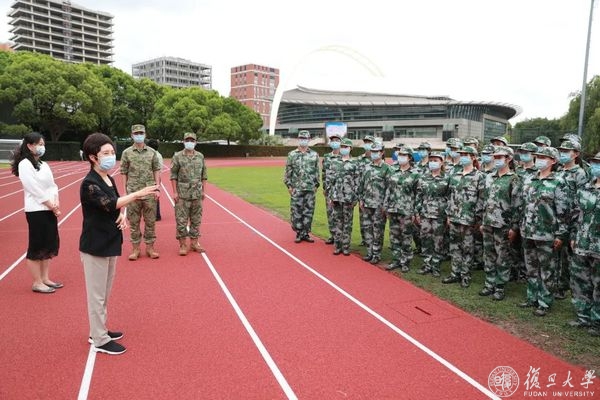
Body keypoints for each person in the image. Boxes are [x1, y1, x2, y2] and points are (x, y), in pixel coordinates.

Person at [79, 133, 158, 355]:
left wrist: (122, 215)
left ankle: (99, 330)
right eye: (105, 153)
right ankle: (99, 340)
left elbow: (115, 206)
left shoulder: (108, 178)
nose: (111, 156)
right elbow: (110, 203)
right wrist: (138, 194)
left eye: (112, 152)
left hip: (110, 241)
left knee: (104, 292)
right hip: (95, 245)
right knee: (96, 296)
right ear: (93, 157)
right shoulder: (89, 184)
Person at [519, 147, 569, 317]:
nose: (539, 159)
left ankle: (544, 302)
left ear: (553, 161)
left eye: (544, 157)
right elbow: (524, 206)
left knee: (547, 270)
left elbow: (563, 211)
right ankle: (532, 297)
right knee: (531, 268)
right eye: (538, 156)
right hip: (528, 231)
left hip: (547, 233)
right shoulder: (529, 179)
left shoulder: (558, 182)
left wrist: (561, 234)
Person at [10, 132, 62, 294]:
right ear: (29, 146)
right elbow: (33, 188)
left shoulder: (43, 164)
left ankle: (45, 278)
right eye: (39, 144)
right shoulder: (25, 164)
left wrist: (56, 201)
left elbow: (52, 185)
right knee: (37, 245)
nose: (42, 147)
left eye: (43, 144)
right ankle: (37, 282)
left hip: (49, 209)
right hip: (36, 210)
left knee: (48, 245)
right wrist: (51, 204)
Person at [480, 146, 522, 301]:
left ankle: (499, 286)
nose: (496, 159)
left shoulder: (514, 179)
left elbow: (517, 205)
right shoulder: (489, 177)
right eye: (495, 157)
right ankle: (489, 283)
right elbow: (485, 201)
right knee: (488, 254)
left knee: (502, 256)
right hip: (488, 222)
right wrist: (483, 220)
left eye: (499, 157)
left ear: (508, 159)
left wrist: (514, 227)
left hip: (503, 224)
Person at [442, 145, 485, 288]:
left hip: (469, 219)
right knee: (454, 247)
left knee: (467, 248)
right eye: (461, 155)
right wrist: (449, 214)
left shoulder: (479, 176)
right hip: (454, 217)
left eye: (466, 155)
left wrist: (476, 217)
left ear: (473, 157)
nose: (463, 157)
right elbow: (450, 196)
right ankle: (455, 273)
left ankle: (465, 275)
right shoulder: (455, 175)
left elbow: (481, 199)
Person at [120, 124, 162, 260]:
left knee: (150, 222)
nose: (139, 135)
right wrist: (125, 191)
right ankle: (135, 249)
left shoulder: (152, 152)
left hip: (149, 192)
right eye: (136, 133)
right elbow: (123, 172)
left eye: (141, 133)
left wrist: (157, 188)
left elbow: (156, 170)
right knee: (134, 222)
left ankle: (150, 248)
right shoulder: (126, 153)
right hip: (133, 192)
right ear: (132, 135)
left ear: (145, 135)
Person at [569, 152, 600, 336]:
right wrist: (573, 236)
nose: (596, 166)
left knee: (598, 284)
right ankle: (583, 316)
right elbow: (576, 214)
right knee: (580, 281)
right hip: (581, 243)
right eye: (595, 162)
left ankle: (597, 321)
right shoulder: (585, 188)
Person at [555, 140, 588, 300]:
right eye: (561, 151)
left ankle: (563, 286)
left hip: (571, 220)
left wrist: (575, 225)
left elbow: (581, 200)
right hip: (557, 218)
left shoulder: (580, 173)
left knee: (567, 256)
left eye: (566, 151)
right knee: (557, 255)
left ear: (576, 154)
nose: (563, 153)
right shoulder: (559, 170)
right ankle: (556, 284)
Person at [170, 132, 207, 255]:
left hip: (197, 194)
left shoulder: (200, 156)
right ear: (183, 141)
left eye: (192, 140)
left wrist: (204, 191)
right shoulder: (177, 156)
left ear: (196, 142)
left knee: (196, 219)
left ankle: (194, 243)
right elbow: (173, 175)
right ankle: (183, 244)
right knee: (181, 220)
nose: (189, 142)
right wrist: (175, 192)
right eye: (187, 140)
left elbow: (204, 175)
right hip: (182, 195)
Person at [384, 146, 419, 272]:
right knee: (394, 236)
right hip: (393, 209)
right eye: (400, 155)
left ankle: (405, 261)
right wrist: (386, 206)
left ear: (409, 158)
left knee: (406, 237)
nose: (401, 157)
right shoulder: (393, 171)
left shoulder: (415, 174)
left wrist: (415, 212)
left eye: (404, 155)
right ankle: (396, 260)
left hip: (406, 211)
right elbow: (389, 190)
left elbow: (418, 194)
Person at [415, 152, 449, 277]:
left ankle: (436, 266)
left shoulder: (447, 178)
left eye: (436, 160)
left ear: (441, 162)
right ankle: (426, 264)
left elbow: (450, 197)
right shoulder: (423, 178)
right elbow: (419, 196)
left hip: (439, 215)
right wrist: (417, 212)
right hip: (425, 214)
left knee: (438, 241)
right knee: (425, 240)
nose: (433, 162)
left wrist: (448, 214)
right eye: (431, 160)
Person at [284, 130, 320, 243]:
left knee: (308, 212)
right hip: (297, 188)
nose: (303, 140)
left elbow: (316, 171)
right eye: (301, 138)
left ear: (309, 139)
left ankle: (306, 233)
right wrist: (289, 186)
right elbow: (288, 171)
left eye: (305, 139)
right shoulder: (292, 154)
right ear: (298, 139)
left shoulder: (314, 155)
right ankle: (299, 233)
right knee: (296, 212)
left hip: (310, 188)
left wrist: (316, 185)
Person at [358, 142, 390, 264]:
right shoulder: (366, 167)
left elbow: (389, 188)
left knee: (378, 231)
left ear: (382, 153)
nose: (374, 154)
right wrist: (361, 199)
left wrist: (385, 205)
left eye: (377, 152)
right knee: (367, 228)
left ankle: (376, 254)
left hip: (379, 206)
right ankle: (369, 252)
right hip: (367, 204)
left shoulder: (387, 168)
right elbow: (362, 184)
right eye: (373, 151)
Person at [328, 138, 359, 255]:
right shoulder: (335, 162)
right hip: (336, 197)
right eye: (342, 146)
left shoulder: (354, 163)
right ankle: (337, 246)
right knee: (337, 222)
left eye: (346, 147)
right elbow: (331, 181)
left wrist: (355, 198)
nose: (343, 149)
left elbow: (357, 182)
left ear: (351, 148)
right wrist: (330, 196)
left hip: (348, 198)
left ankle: (345, 247)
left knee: (347, 223)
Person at [321, 132, 342, 245]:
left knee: (340, 214)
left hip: (341, 191)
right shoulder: (327, 157)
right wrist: (324, 187)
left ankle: (340, 236)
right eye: (333, 140)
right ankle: (333, 235)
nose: (334, 142)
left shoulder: (344, 157)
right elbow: (324, 173)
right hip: (329, 190)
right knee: (330, 213)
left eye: (337, 140)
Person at [146, 139, 163, 221]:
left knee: (152, 196)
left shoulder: (153, 155)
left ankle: (156, 214)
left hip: (152, 178)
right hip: (157, 177)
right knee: (155, 195)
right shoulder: (159, 155)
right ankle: (156, 214)